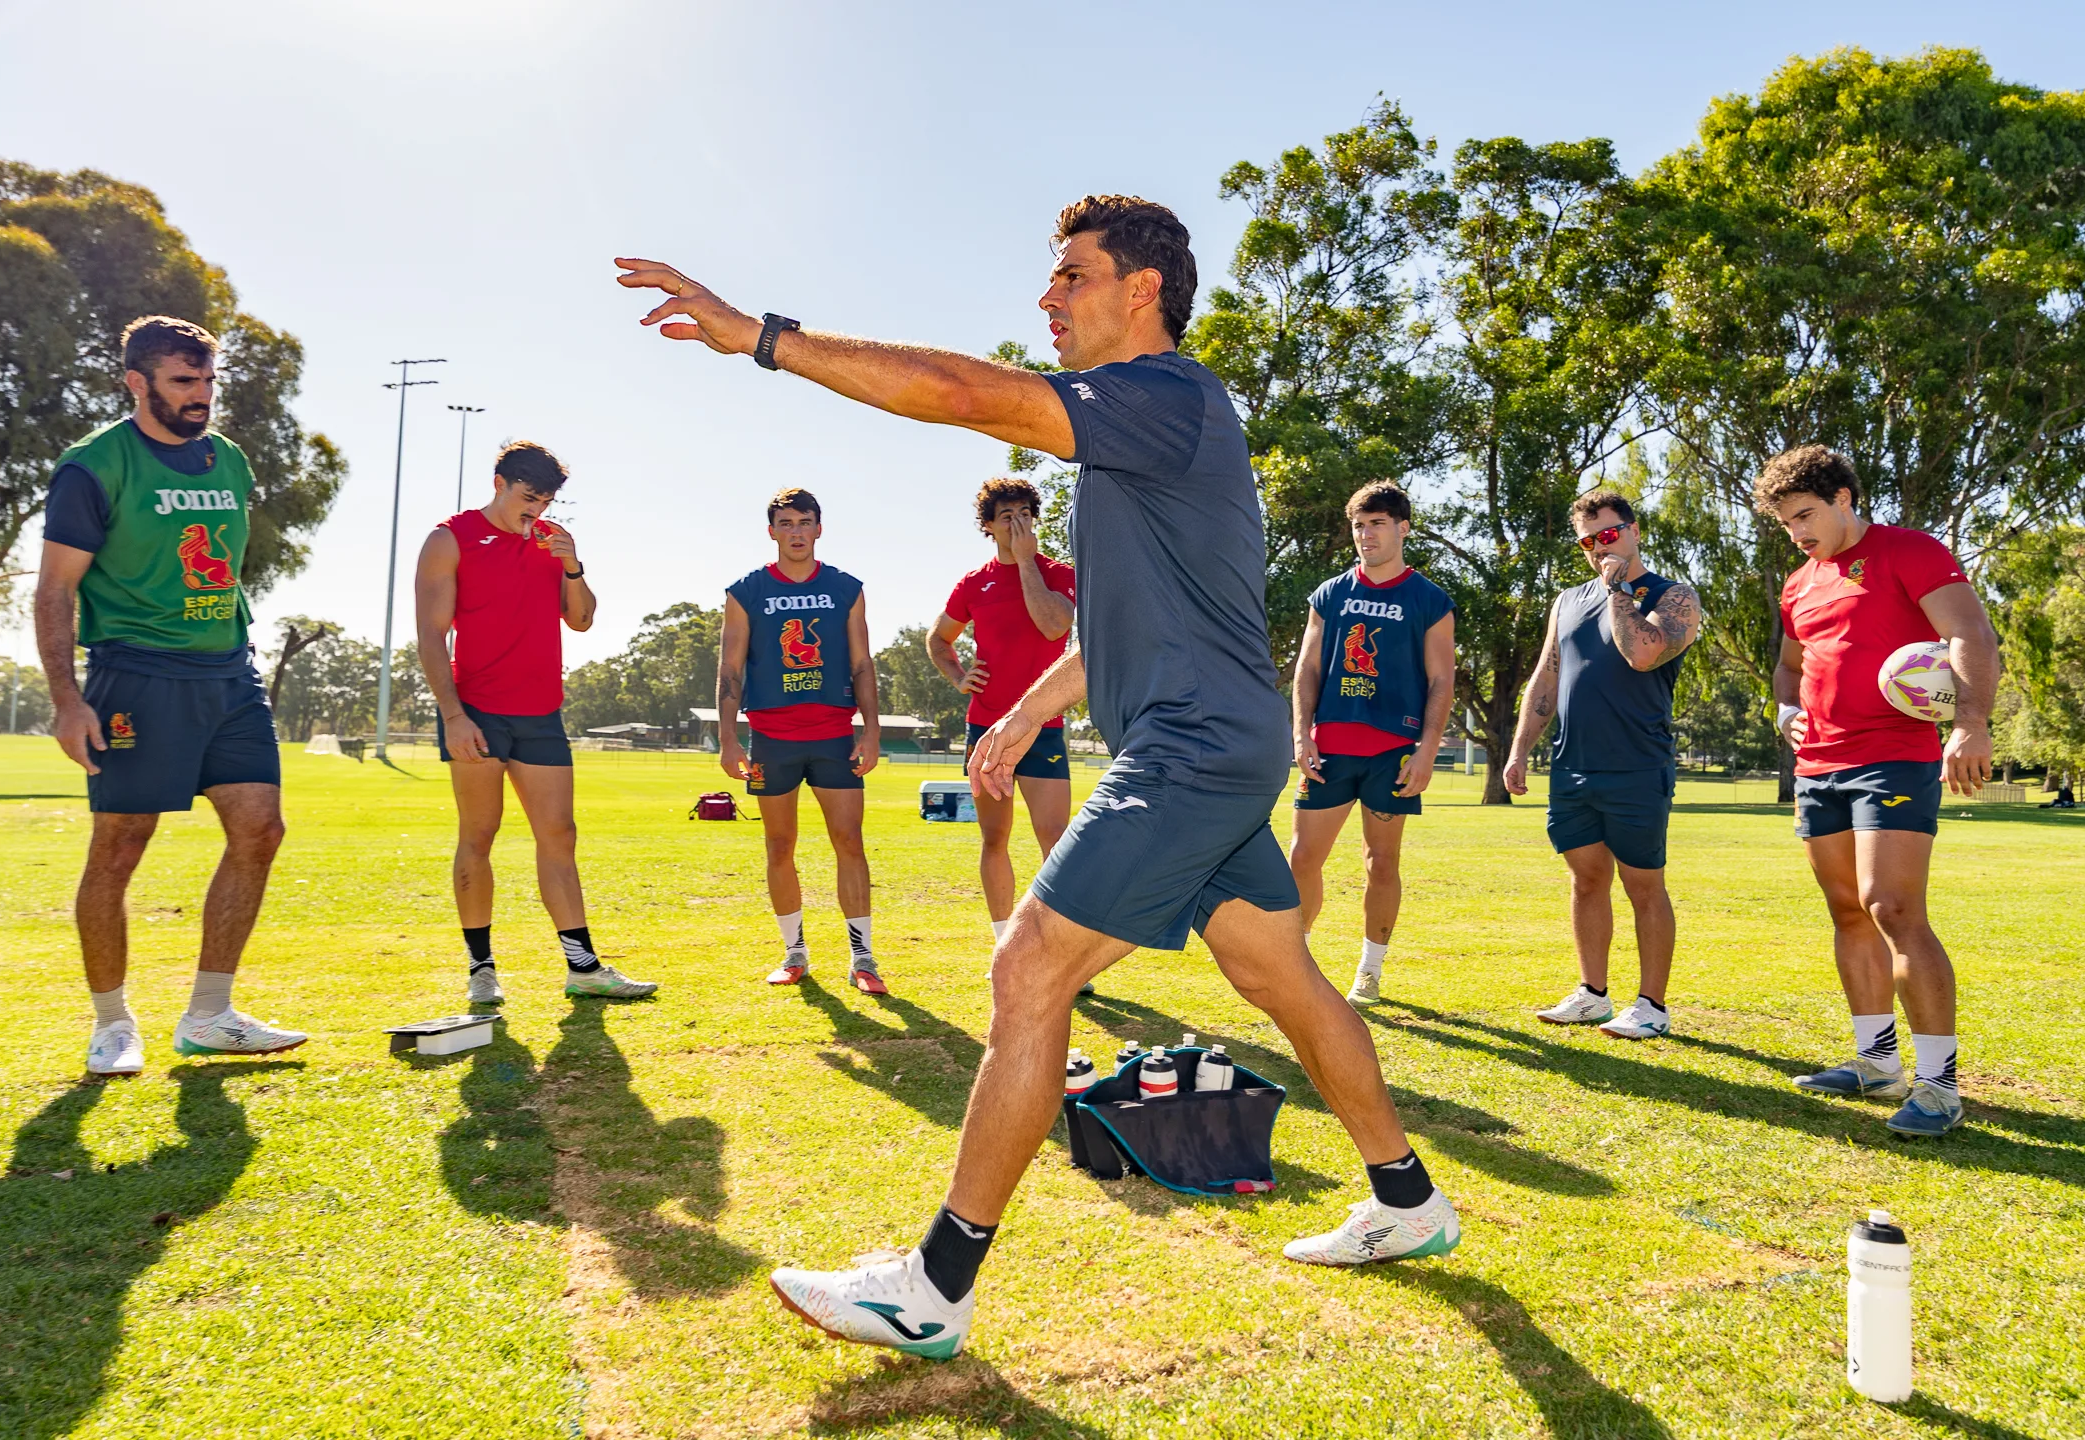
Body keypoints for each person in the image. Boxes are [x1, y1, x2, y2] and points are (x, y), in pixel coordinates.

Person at [618, 194, 1461, 1362]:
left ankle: (934, 1285)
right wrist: (1019, 715)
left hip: (1194, 750)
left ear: (1142, 291)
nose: (1047, 297)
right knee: (1278, 973)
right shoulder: (1137, 442)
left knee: (1027, 969)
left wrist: (766, 338)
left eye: (1072, 276)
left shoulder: (1166, 397)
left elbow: (972, 397)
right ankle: (1409, 1200)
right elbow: (1107, 633)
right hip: (1217, 737)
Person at [35, 315, 307, 1075]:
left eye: (209, 381)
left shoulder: (229, 460)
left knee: (260, 829)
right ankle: (113, 1024)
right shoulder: (94, 466)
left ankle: (211, 1015)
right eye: (184, 381)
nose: (201, 396)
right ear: (137, 383)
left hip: (226, 673)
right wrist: (66, 699)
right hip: (136, 674)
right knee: (121, 846)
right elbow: (56, 590)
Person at [1760, 445, 1998, 1138]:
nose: (1798, 532)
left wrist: (1970, 724)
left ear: (1843, 498)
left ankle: (1939, 1087)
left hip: (1894, 758)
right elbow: (1788, 665)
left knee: (1892, 907)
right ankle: (1874, 1064)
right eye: (1785, 523)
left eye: (1806, 515)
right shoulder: (1799, 584)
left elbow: (1970, 632)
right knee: (1848, 912)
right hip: (1819, 765)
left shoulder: (1911, 552)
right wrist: (1785, 711)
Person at [412, 441, 657, 1005]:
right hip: (477, 712)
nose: (536, 512)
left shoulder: (550, 544)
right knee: (479, 835)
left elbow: (583, 619)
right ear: (499, 483)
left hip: (541, 712)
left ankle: (583, 967)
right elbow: (431, 635)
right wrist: (452, 715)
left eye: (545, 502)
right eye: (528, 499)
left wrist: (572, 564)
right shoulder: (450, 539)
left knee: (560, 836)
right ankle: (481, 970)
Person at [1503, 489, 1702, 1041]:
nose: (1598, 548)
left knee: (1644, 885)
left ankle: (1652, 1005)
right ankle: (1592, 994)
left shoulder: (1674, 595)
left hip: (1637, 765)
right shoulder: (1566, 600)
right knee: (1586, 879)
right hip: (1572, 766)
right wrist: (1520, 750)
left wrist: (1617, 588)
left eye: (1609, 535)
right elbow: (1545, 677)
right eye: (1588, 541)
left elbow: (1641, 652)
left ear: (1635, 531)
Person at [1287, 483, 1455, 1006]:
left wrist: (1427, 750)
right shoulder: (1331, 593)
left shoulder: (1429, 599)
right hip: (1331, 747)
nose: (1366, 535)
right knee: (1302, 858)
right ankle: (1295, 960)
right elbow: (1308, 668)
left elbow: (1441, 681)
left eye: (1377, 524)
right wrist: (1301, 733)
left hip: (1393, 753)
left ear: (1403, 528)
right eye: (1359, 525)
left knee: (1381, 862)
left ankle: (1370, 971)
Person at [716, 488, 886, 994]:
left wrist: (872, 730)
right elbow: (730, 669)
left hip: (835, 737)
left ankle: (863, 958)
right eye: (785, 523)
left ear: (819, 528)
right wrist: (728, 738)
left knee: (849, 842)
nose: (795, 531)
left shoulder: (845, 588)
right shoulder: (744, 592)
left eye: (804, 522)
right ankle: (794, 953)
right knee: (778, 844)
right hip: (771, 738)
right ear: (771, 531)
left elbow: (861, 663)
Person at [926, 478, 1076, 951]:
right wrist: (958, 676)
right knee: (995, 837)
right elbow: (938, 640)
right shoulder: (974, 584)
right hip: (987, 726)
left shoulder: (1059, 573)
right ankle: (1004, 945)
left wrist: (1027, 559)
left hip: (1044, 727)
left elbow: (1055, 624)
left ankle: (1059, 950)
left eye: (1024, 514)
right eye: (1006, 516)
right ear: (988, 526)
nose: (1017, 523)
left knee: (1056, 839)